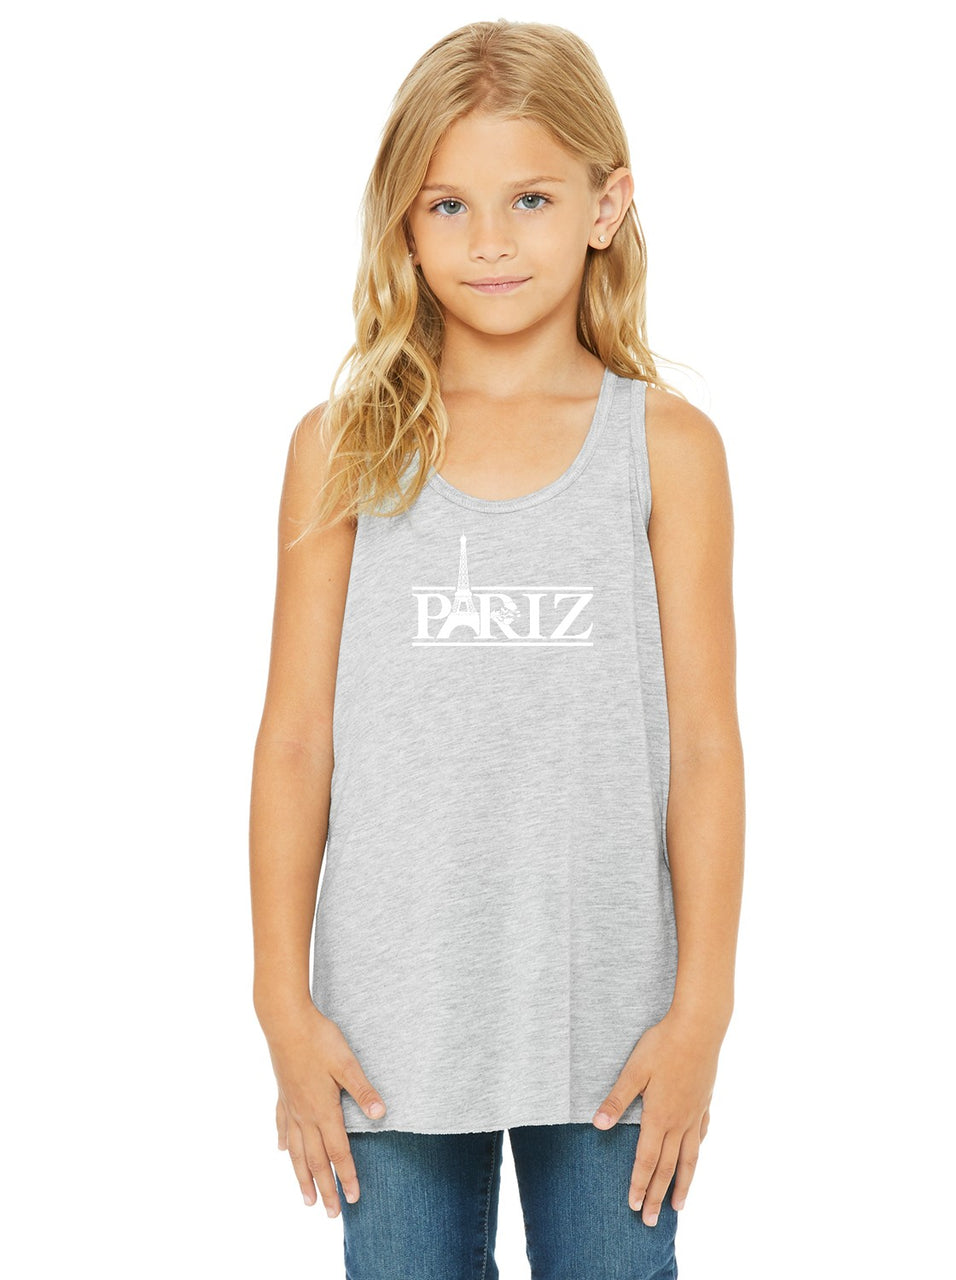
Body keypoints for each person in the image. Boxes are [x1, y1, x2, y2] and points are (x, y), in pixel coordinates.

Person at [249, 18, 744, 1279]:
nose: (489, 240)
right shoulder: (342, 444)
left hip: (610, 1018)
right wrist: (278, 999)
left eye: (529, 198)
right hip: (387, 1025)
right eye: (448, 204)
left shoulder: (666, 449)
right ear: (403, 225)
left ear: (604, 205)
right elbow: (296, 738)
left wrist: (701, 1011)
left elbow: (704, 745)